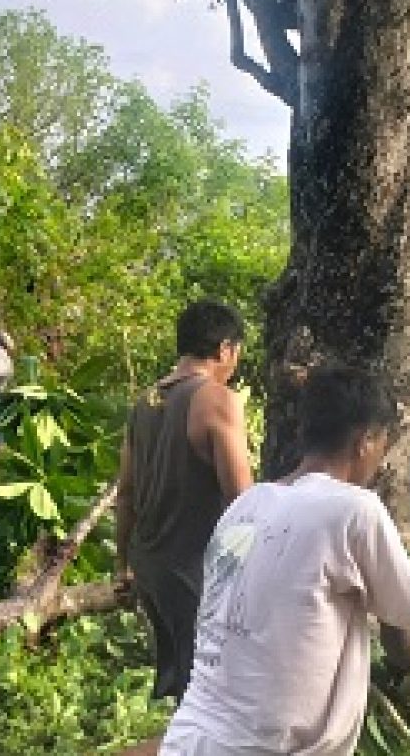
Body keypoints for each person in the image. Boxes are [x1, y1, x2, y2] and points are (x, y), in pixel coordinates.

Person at [160, 365, 410, 755]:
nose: (381, 461)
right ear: (365, 441)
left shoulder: (246, 505)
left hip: (189, 735)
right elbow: (404, 639)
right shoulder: (354, 510)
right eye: (382, 445)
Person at [117, 299, 254, 700]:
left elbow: (126, 494)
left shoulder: (145, 402)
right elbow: (243, 501)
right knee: (210, 696)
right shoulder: (217, 399)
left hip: (152, 568)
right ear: (225, 349)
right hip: (197, 572)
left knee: (185, 686)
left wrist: (122, 565)